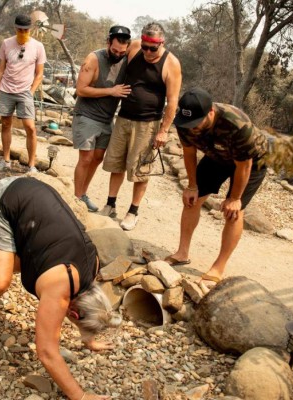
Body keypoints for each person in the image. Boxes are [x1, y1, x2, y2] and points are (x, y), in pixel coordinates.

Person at [0, 177, 119, 400]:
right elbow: (46, 352)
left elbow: (82, 309)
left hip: (31, 194)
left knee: (26, 262)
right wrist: (80, 396)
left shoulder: (92, 268)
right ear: (72, 312)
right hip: (0, 203)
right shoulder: (60, 288)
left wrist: (89, 339)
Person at [165, 87, 269, 297]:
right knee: (191, 200)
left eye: (197, 124)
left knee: (233, 212)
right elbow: (189, 152)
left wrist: (235, 198)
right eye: (189, 125)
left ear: (211, 112)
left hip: (252, 161)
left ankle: (218, 267)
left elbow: (244, 166)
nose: (192, 129)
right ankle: (182, 252)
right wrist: (192, 186)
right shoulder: (184, 122)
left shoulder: (236, 124)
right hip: (216, 156)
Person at [100, 22, 182, 230]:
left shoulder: (171, 63)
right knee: (116, 162)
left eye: (152, 48)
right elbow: (114, 55)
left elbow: (172, 102)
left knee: (140, 170)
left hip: (148, 123)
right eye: (144, 46)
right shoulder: (135, 47)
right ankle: (110, 204)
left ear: (162, 43)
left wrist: (163, 131)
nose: (147, 52)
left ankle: (133, 211)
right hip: (124, 117)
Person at [73, 26, 132, 212]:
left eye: (122, 52)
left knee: (97, 158)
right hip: (87, 115)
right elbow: (81, 89)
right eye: (114, 50)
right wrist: (111, 91)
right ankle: (76, 198)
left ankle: (83, 193)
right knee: (86, 157)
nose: (118, 54)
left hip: (107, 119)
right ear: (108, 42)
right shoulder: (94, 59)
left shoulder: (126, 59)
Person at [0, 15, 46, 173]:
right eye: (20, 29)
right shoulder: (6, 43)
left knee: (30, 127)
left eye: (26, 29)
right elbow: (1, 68)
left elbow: (39, 73)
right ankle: (5, 160)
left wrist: (31, 91)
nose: (23, 32)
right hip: (6, 89)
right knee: (6, 124)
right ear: (15, 28)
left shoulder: (38, 46)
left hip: (25, 91)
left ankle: (31, 165)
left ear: (31, 29)